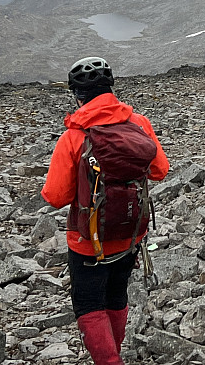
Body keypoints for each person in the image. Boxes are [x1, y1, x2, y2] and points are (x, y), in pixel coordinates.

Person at [42, 56, 169, 365]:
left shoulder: (74, 136)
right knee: (116, 296)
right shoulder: (139, 124)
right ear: (111, 88)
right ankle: (113, 353)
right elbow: (160, 170)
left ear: (78, 95)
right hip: (130, 233)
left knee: (89, 305)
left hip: (89, 242)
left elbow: (56, 197)